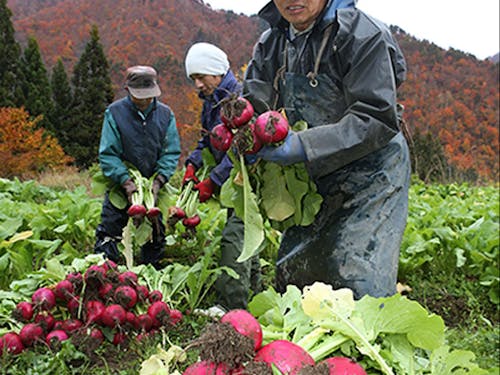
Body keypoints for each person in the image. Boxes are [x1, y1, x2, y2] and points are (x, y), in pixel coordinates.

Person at [243, 0, 410, 299]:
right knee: (297, 277)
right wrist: (247, 132)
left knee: (357, 279)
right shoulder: (272, 43)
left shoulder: (363, 35)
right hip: (314, 178)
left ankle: (366, 342)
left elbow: (375, 118)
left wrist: (303, 144)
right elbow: (255, 100)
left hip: (371, 175)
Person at [184, 42, 261, 314]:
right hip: (233, 181)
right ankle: (255, 294)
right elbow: (208, 138)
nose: (197, 85)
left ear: (215, 73)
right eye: (193, 78)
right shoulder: (213, 99)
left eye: (200, 77)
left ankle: (232, 307)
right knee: (246, 235)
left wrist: (213, 181)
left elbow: (240, 148)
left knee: (235, 237)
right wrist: (192, 163)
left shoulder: (235, 100)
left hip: (245, 179)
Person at [94, 65, 181, 269]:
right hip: (121, 184)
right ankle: (105, 272)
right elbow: (108, 153)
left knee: (155, 234)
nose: (143, 100)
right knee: (109, 230)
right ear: (128, 90)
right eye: (138, 96)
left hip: (153, 186)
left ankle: (151, 273)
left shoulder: (165, 115)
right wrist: (125, 181)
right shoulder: (115, 113)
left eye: (148, 95)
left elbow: (171, 152)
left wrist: (160, 179)